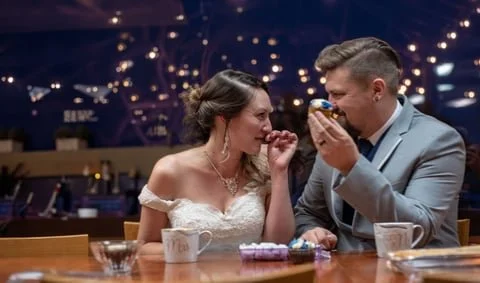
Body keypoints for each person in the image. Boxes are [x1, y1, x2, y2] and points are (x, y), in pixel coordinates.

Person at [294, 37, 466, 251]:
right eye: (329, 93)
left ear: (377, 90)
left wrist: (351, 166)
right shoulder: (339, 132)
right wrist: (311, 230)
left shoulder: (439, 140)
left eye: (338, 94)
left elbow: (418, 229)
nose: (331, 104)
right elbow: (307, 213)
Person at [137, 69, 298, 254]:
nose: (269, 127)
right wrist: (196, 253)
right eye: (260, 115)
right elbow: (144, 247)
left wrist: (279, 171)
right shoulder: (170, 170)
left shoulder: (265, 163)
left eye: (269, 115)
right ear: (223, 116)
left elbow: (279, 242)